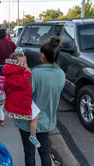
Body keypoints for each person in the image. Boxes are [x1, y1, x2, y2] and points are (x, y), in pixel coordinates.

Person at [14, 36, 66, 166]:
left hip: (27, 122)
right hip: (46, 121)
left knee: (29, 152)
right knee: (44, 152)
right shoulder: (61, 74)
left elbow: (24, 96)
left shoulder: (35, 74)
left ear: (42, 56)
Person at [2, 53, 41, 148]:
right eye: (23, 63)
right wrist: (27, 72)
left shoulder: (15, 72)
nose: (25, 64)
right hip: (22, 100)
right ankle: (32, 136)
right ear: (15, 64)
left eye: (25, 62)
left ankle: (32, 135)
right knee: (35, 118)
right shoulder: (15, 74)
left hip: (24, 98)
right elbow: (21, 83)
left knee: (35, 117)